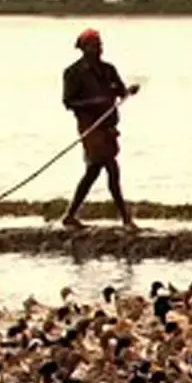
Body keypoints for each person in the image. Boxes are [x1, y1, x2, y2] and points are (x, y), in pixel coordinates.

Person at [61, 28, 141, 231]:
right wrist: (95, 102)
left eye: (99, 45)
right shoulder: (73, 73)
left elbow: (119, 90)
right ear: (83, 49)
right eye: (93, 46)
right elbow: (69, 102)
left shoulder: (108, 70)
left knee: (93, 172)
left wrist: (127, 91)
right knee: (111, 167)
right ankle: (125, 218)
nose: (98, 49)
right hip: (90, 127)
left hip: (108, 126)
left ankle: (70, 215)